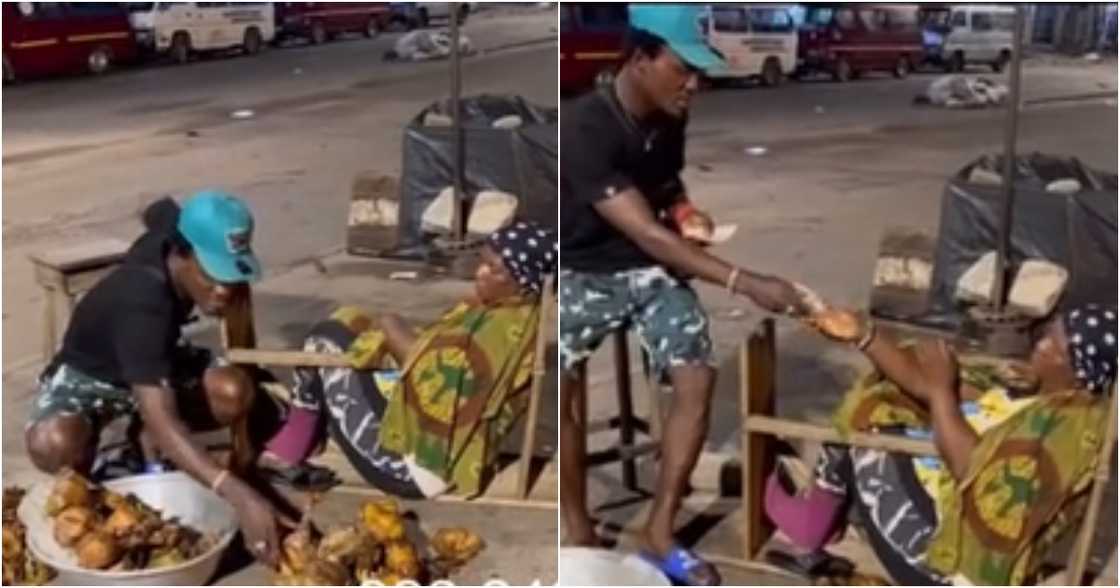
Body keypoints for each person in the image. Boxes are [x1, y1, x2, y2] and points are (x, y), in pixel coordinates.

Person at [558, 5, 807, 585]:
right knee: (561, 382)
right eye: (683, 69)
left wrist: (687, 212)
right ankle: (576, 525)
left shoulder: (671, 116)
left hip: (648, 271)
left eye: (699, 72)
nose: (695, 84)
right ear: (640, 59)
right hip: (578, 271)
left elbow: (665, 193)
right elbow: (644, 230)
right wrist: (746, 282)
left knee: (697, 375)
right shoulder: (583, 128)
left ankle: (660, 529)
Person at [24, 191, 291, 566]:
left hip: (158, 357)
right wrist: (239, 494)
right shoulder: (143, 304)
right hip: (93, 376)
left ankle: (145, 442)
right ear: (182, 255)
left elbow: (154, 206)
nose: (224, 291)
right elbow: (162, 417)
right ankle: (107, 473)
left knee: (234, 392)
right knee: (54, 444)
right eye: (213, 275)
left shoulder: (176, 230)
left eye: (232, 276)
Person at [768, 304, 1117, 585]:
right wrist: (863, 335)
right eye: (1048, 335)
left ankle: (813, 522)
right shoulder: (1040, 394)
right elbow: (923, 383)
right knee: (884, 398)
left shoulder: (1061, 432)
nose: (1040, 344)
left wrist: (940, 391)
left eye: (1054, 346)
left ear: (1079, 372)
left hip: (943, 564)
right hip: (942, 501)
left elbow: (974, 469)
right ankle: (820, 518)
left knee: (867, 429)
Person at [259, 221, 557, 498]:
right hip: (437, 449)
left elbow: (430, 375)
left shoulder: (494, 334)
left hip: (412, 468)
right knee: (349, 322)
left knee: (324, 340)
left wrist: (391, 328)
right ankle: (312, 430)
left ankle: (293, 444)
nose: (480, 272)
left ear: (522, 280)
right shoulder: (511, 314)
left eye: (495, 269)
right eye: (483, 261)